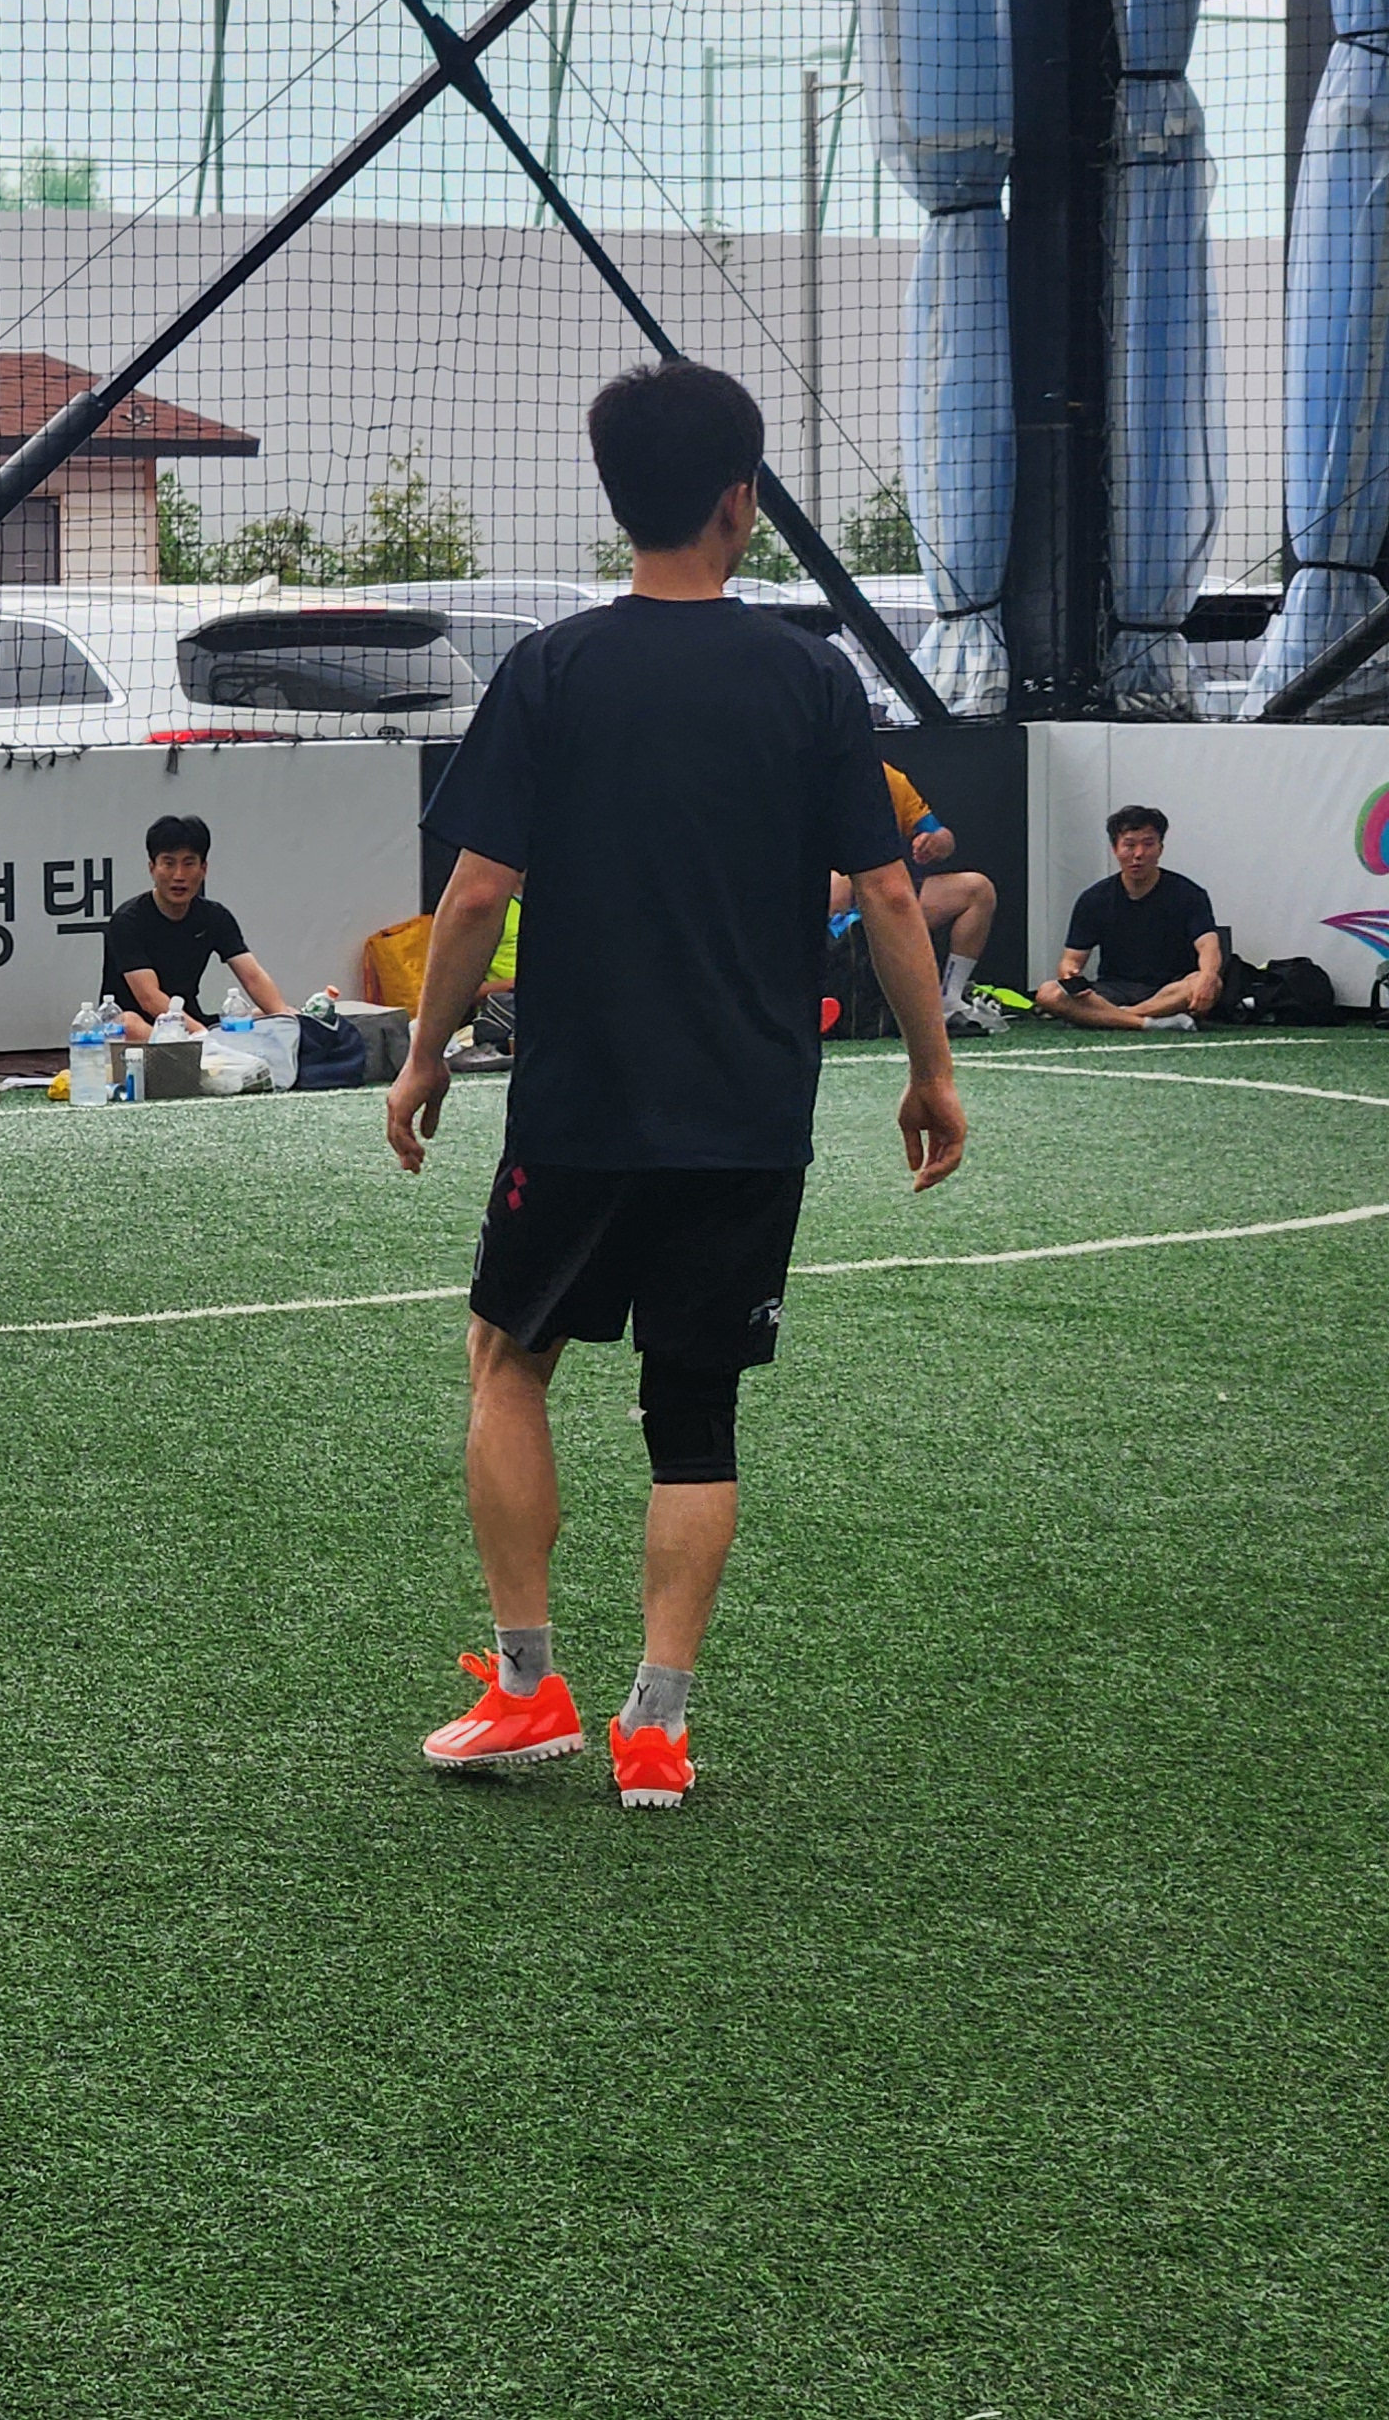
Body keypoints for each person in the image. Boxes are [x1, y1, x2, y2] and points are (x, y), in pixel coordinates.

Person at [388, 361, 965, 1811]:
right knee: (694, 1414)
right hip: (748, 1113)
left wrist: (424, 1052)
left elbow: (474, 895)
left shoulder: (553, 668)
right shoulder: (810, 677)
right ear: (740, 503)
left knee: (507, 1357)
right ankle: (656, 1729)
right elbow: (891, 898)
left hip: (581, 1106)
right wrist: (930, 1070)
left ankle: (528, 1690)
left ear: (618, 499)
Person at [829, 760, 1005, 1038]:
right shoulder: (802, 774)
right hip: (820, 901)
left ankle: (949, 999)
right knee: (837, 881)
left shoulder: (887, 778)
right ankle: (823, 995)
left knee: (977, 889)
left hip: (887, 897)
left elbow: (941, 835)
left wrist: (935, 842)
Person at [101, 814, 295, 1042]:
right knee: (127, 1023)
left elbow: (252, 976)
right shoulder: (127, 921)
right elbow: (149, 998)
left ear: (203, 869)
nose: (179, 876)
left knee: (277, 1015)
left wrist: (286, 1021)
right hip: (142, 1028)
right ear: (152, 868)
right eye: (169, 863)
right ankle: (200, 1052)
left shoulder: (215, 916)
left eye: (189, 863)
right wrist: (203, 1038)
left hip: (190, 1022)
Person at [1044, 805, 1223, 1031]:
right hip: (1112, 990)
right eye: (1129, 845)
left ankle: (1112, 1018)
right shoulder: (1094, 899)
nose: (1138, 854)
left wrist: (1208, 976)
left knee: (1209, 982)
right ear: (1115, 849)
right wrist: (1069, 973)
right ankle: (1151, 1023)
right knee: (1049, 993)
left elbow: (1208, 946)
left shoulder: (1188, 894)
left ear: (1160, 848)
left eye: (1148, 844)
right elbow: (1071, 960)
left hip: (1169, 990)